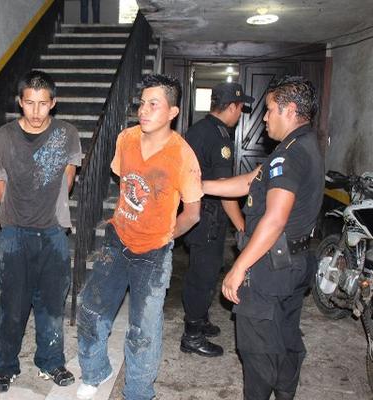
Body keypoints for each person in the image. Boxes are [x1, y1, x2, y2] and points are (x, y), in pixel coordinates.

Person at [76, 74, 202, 400]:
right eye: (142, 103)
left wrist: (164, 235)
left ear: (172, 112)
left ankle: (138, 393)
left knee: (143, 330)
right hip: (117, 239)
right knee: (90, 308)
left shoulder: (182, 155)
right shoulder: (126, 138)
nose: (143, 111)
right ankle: (95, 371)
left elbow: (192, 213)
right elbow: (125, 183)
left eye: (153, 104)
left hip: (153, 253)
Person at [202, 76, 323, 399]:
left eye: (270, 110)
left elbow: (274, 219)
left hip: (269, 269)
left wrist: (239, 267)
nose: (265, 117)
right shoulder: (301, 145)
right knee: (284, 339)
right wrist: (200, 186)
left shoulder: (289, 156)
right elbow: (248, 182)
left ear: (290, 110)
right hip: (294, 263)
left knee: (257, 353)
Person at [0, 70, 82, 393]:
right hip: (14, 234)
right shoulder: (4, 135)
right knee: (11, 306)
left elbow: (68, 177)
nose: (36, 111)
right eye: (30, 103)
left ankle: (51, 362)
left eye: (43, 103)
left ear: (53, 103)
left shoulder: (67, 134)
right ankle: (5, 366)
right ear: (20, 102)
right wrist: (19, 211)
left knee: (52, 304)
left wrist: (47, 210)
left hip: (53, 233)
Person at [180, 82, 253, 357]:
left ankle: (200, 319)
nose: (240, 114)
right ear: (232, 106)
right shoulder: (220, 137)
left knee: (201, 270)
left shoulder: (197, 128)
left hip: (195, 213)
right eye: (240, 108)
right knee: (204, 275)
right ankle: (192, 335)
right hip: (209, 217)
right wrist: (241, 225)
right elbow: (225, 190)